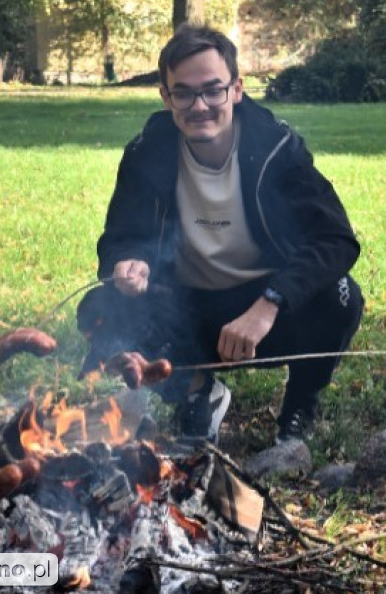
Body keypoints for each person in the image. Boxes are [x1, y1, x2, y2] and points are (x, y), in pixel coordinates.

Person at [77, 24, 364, 445]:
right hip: (185, 309)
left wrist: (270, 303)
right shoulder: (147, 152)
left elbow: (336, 239)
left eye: (213, 90)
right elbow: (119, 236)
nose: (200, 105)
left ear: (236, 90)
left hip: (265, 315)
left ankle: (300, 407)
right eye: (184, 93)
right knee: (99, 309)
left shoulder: (277, 149)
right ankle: (197, 392)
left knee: (341, 295)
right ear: (165, 96)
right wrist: (126, 261)